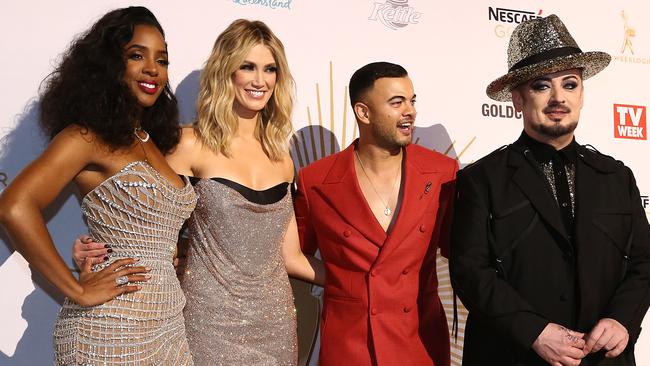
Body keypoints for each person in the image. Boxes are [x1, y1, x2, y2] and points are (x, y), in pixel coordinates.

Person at [72, 19, 324, 365]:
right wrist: (100, 250)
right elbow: (146, 223)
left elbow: (291, 257)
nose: (259, 80)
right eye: (247, 67)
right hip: (208, 323)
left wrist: (363, 280)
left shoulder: (281, 157)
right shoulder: (187, 144)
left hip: (276, 323)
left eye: (270, 69)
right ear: (226, 71)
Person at [0, 7, 197, 365]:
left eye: (162, 59)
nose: (153, 68)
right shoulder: (86, 137)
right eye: (137, 55)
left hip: (168, 327)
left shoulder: (150, 139)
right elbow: (14, 206)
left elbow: (151, 226)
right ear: (109, 64)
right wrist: (76, 289)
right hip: (108, 332)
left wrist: (175, 251)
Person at [450, 14, 650, 366]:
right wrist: (534, 332)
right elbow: (470, 272)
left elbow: (645, 261)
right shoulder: (482, 179)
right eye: (542, 86)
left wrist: (623, 319)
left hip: (603, 359)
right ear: (517, 99)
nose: (559, 97)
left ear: (582, 94)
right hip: (513, 355)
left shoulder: (617, 176)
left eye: (570, 84)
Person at [294, 62, 457, 366]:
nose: (410, 111)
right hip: (351, 346)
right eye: (397, 102)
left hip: (420, 343)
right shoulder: (315, 180)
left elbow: (461, 250)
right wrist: (343, 279)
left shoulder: (442, 173)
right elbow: (293, 254)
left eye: (412, 100)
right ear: (363, 112)